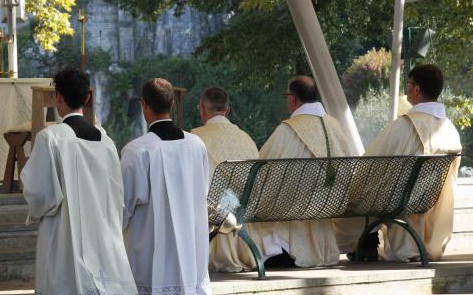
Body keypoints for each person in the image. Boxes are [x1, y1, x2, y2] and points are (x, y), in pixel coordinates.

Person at [21, 67, 172, 295]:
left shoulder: (51, 138)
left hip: (66, 234)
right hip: (102, 233)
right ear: (88, 98)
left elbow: (40, 195)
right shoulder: (105, 141)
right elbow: (116, 193)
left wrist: (36, 206)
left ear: (58, 98)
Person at [121, 78, 248, 295]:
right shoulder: (195, 144)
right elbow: (202, 191)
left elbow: (124, 205)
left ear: (144, 106)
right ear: (173, 104)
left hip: (153, 246)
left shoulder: (137, 150)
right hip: (190, 243)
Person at [250, 76, 353, 268]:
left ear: (292, 100)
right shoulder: (334, 126)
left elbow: (260, 169)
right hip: (329, 205)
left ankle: (281, 250)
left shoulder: (287, 130)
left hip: (293, 209)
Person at [364, 65, 462, 262]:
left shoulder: (403, 126)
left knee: (362, 188)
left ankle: (365, 243)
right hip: (433, 204)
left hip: (400, 201)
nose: (406, 89)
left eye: (408, 84)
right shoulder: (449, 129)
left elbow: (369, 164)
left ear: (417, 89)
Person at [190, 87, 259, 273]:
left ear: (202, 108)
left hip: (211, 220)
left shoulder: (195, 138)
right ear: (227, 110)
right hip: (243, 216)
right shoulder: (246, 138)